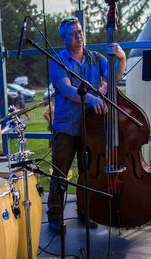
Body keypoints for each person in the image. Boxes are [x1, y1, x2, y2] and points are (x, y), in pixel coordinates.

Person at [46, 17, 126, 234]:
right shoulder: (58, 61)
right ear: (64, 38)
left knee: (87, 172)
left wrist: (122, 59)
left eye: (80, 31)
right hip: (66, 127)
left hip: (91, 128)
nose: (78, 36)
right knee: (60, 173)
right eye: (73, 33)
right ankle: (54, 216)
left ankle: (85, 211)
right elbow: (68, 90)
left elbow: (113, 79)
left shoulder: (95, 58)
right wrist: (91, 98)